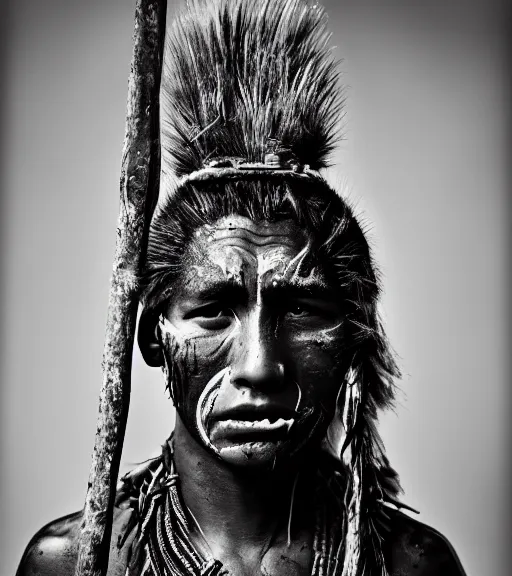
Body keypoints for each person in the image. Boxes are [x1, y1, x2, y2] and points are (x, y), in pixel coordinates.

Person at [16, 0, 467, 574]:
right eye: (213, 310)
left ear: (354, 336)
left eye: (301, 310)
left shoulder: (409, 564)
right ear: (153, 337)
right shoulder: (76, 562)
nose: (258, 367)